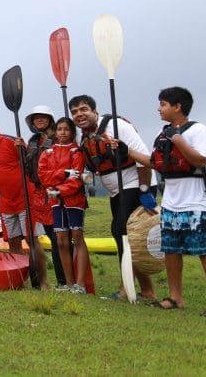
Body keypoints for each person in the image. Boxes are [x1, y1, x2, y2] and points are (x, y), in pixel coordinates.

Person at [127, 87, 206, 314]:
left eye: (163, 104)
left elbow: (200, 160)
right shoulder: (164, 134)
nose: (159, 109)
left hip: (197, 202)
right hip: (170, 202)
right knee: (171, 250)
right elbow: (155, 162)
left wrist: (178, 139)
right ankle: (175, 296)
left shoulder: (197, 130)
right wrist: (126, 151)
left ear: (177, 107)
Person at [69, 94, 157, 301]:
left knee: (121, 232)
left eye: (83, 109)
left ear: (94, 112)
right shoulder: (84, 137)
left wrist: (145, 191)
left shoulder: (117, 126)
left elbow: (144, 159)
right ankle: (147, 290)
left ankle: (126, 288)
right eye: (74, 112)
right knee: (129, 237)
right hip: (117, 190)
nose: (79, 114)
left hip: (136, 184)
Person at [0, 113, 47, 288]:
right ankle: (20, 281)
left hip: (25, 197)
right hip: (6, 202)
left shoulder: (11, 142)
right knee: (13, 242)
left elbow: (31, 161)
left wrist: (23, 148)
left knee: (31, 239)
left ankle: (42, 282)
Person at [38, 117, 90, 293]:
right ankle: (69, 284)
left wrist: (59, 189)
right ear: (55, 131)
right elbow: (43, 176)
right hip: (55, 201)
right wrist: (63, 173)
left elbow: (76, 180)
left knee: (77, 238)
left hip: (74, 200)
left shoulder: (77, 152)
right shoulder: (48, 153)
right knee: (61, 241)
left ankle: (80, 284)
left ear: (72, 132)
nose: (62, 132)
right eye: (59, 129)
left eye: (66, 129)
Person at [26, 105, 68, 287]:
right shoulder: (33, 141)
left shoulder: (58, 138)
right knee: (48, 236)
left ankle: (64, 280)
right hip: (38, 193)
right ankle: (53, 280)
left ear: (50, 119)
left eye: (43, 117)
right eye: (36, 118)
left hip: (55, 190)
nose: (40, 120)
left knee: (59, 236)